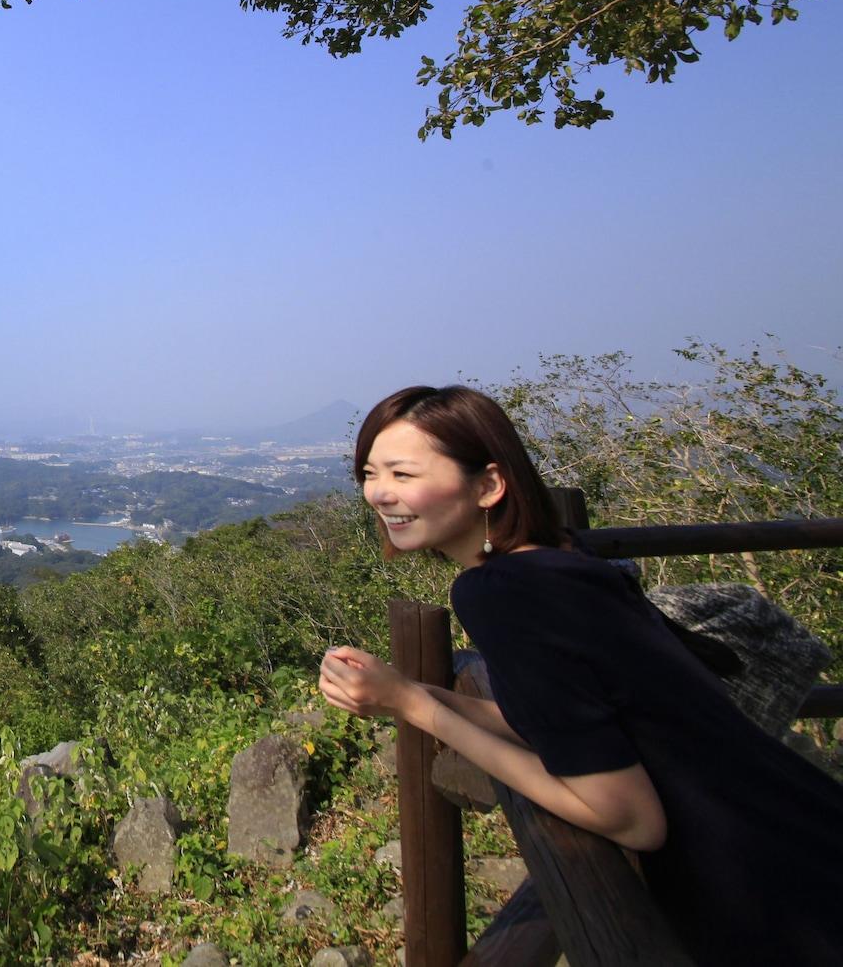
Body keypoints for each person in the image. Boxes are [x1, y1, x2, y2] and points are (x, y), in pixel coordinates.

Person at [318, 384, 843, 965]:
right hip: (806, 831)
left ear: (490, 484)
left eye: (403, 473)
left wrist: (415, 709)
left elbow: (628, 817)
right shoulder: (561, 566)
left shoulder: (502, 594)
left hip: (778, 898)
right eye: (370, 472)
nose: (379, 493)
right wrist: (412, 692)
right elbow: (566, 722)